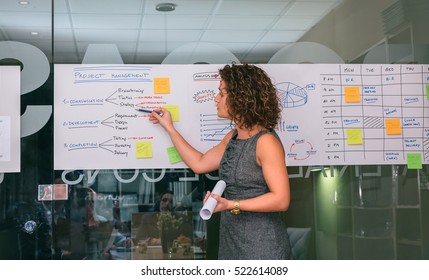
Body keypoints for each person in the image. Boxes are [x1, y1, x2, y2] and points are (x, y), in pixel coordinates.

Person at [148, 63, 291, 259]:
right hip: (232, 242)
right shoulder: (233, 136)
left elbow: (281, 199)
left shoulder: (265, 142)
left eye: (222, 93)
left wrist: (231, 204)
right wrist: (170, 128)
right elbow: (199, 163)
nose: (216, 99)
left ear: (242, 97)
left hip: (262, 246)